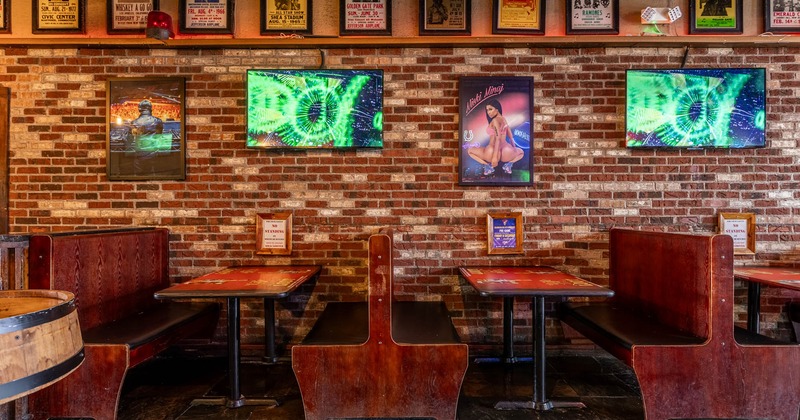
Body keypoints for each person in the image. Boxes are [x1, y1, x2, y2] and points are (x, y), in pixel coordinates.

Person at [467, 99, 524, 176]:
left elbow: (498, 137)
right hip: (506, 151)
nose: (488, 112)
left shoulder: (494, 120)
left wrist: (494, 157)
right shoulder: (503, 119)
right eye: (487, 110)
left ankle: (487, 166)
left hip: (492, 151)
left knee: (470, 151)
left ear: (497, 109)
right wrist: (513, 148)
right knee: (521, 152)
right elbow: (510, 134)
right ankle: (509, 165)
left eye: (490, 109)